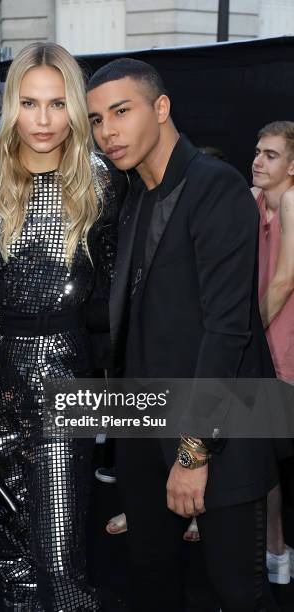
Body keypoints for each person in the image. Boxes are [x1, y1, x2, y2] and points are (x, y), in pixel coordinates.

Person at [0, 42, 122, 611]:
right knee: (11, 561)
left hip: (67, 391)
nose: (43, 120)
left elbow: (115, 300)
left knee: (61, 567)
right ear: (11, 106)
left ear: (76, 109)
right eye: (30, 103)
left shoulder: (103, 185)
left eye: (58, 104)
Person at [87, 58, 280, 611]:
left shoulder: (214, 187)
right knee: (150, 577)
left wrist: (195, 452)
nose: (108, 132)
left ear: (162, 107)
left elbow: (227, 331)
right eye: (98, 119)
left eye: (121, 112)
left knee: (235, 588)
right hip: (143, 425)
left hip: (219, 430)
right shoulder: (132, 195)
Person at [252, 120, 294, 585]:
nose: (259, 161)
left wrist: (241, 334)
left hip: (280, 350)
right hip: (264, 350)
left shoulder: (293, 202)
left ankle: (277, 550)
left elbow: (284, 281)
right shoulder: (254, 201)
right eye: (258, 152)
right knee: (262, 456)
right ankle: (276, 550)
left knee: (268, 458)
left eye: (271, 154)